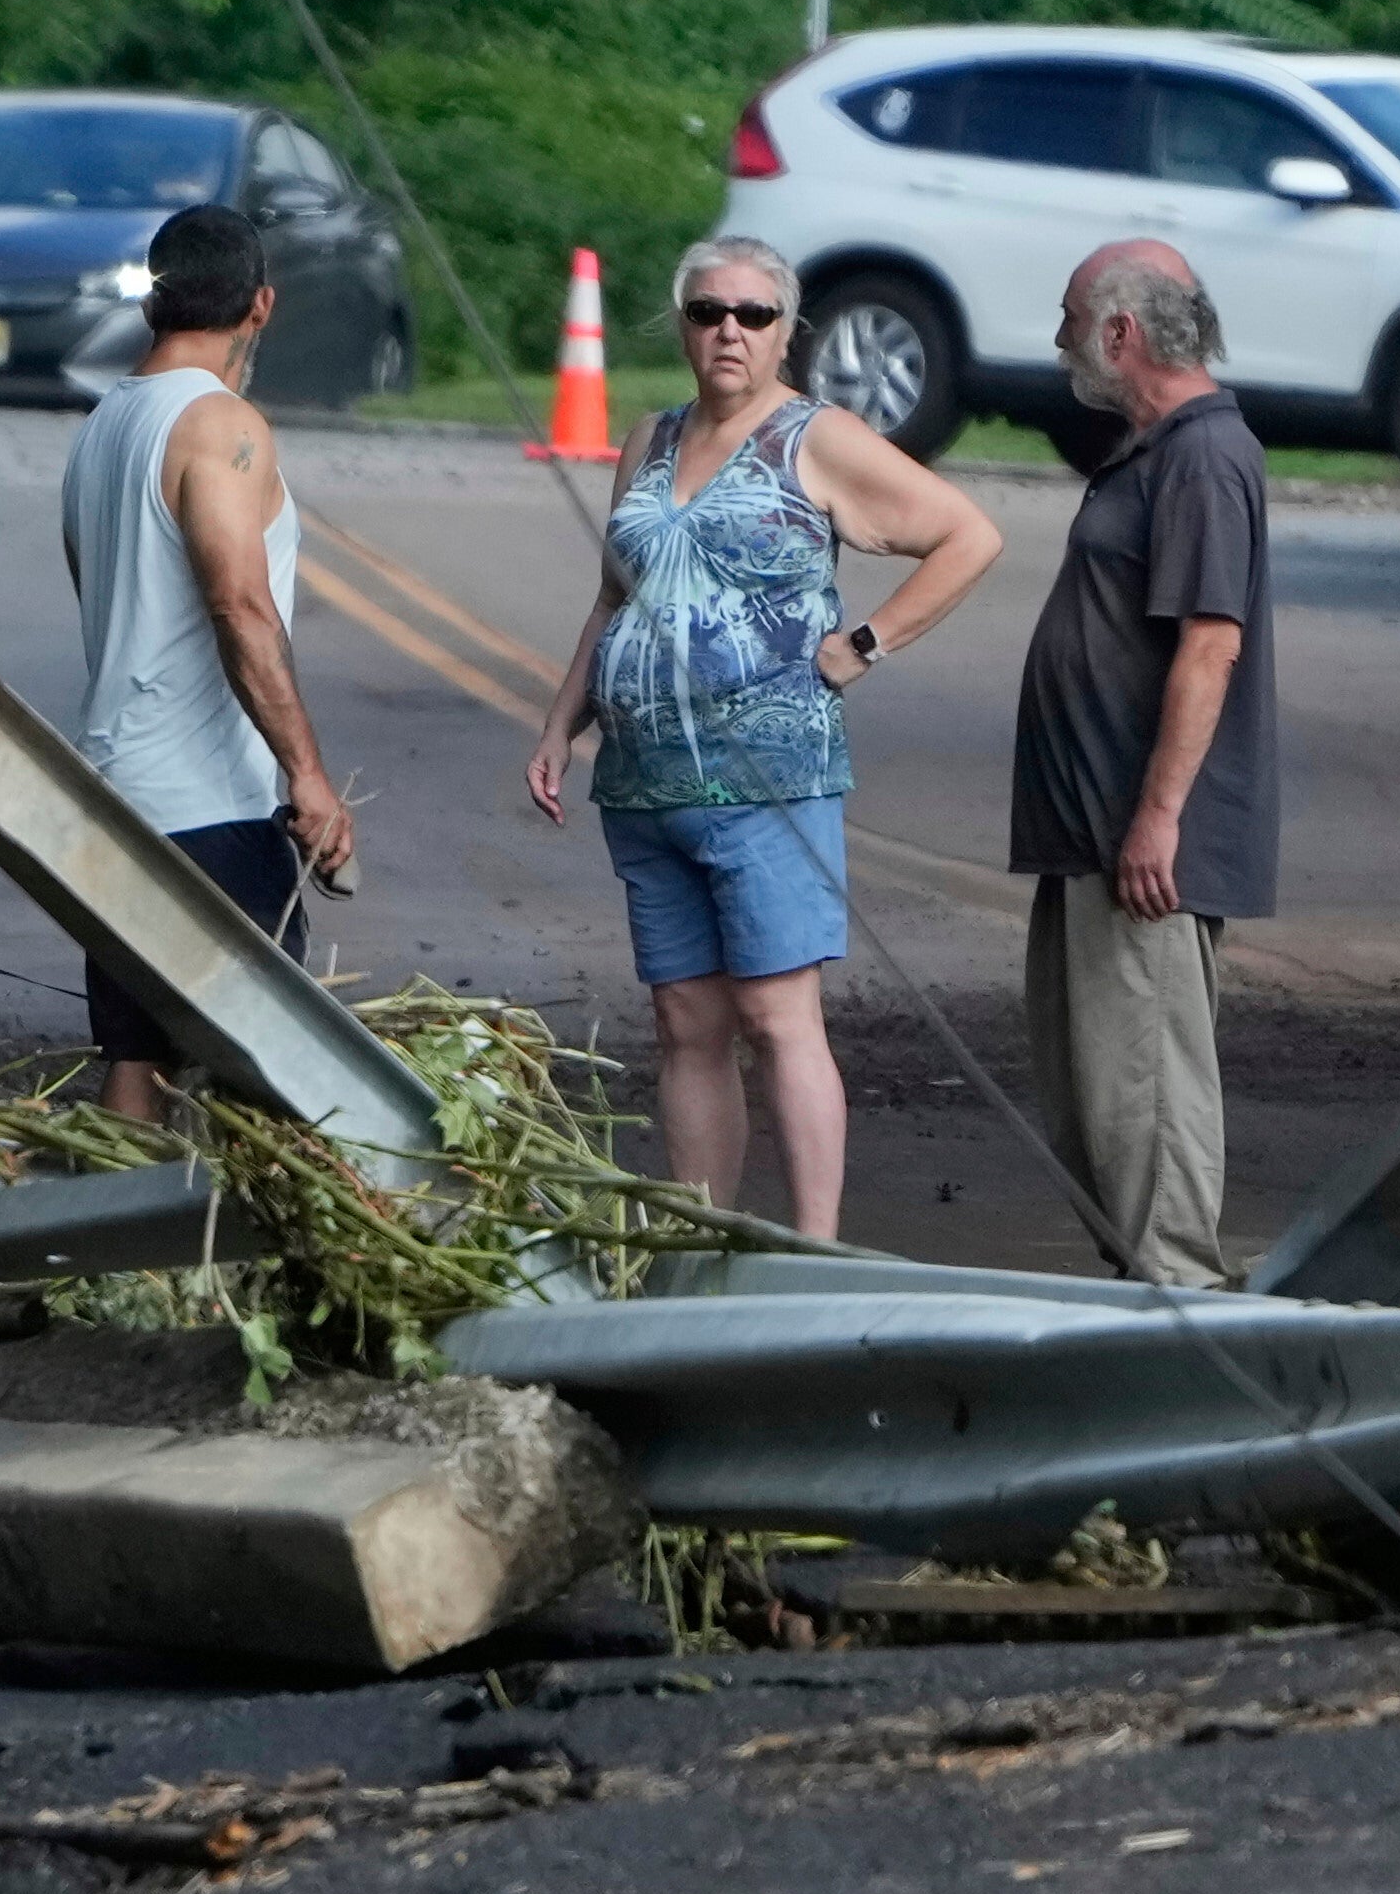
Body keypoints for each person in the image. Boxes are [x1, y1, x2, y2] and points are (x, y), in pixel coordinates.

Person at [516, 227, 996, 1236]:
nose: (728, 331)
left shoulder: (814, 438)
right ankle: (703, 1241)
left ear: (785, 333)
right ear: (684, 328)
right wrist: (563, 725)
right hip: (647, 783)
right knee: (685, 1023)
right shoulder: (648, 439)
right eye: (708, 313)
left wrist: (866, 642)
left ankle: (814, 1247)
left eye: (753, 315)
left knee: (779, 1019)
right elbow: (616, 597)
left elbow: (968, 535)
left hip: (769, 782)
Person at [1004, 233, 1277, 1282]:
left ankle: (1182, 1297)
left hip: (1142, 844)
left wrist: (1158, 817)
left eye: (1072, 320)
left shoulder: (1207, 457)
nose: (1061, 341)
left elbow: (1211, 646)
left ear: (1121, 331)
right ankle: (1140, 1284)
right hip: (1089, 831)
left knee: (1147, 1089)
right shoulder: (1154, 450)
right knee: (1092, 1096)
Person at [52, 205, 360, 1113]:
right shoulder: (218, 423)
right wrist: (307, 775)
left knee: (136, 1059)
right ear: (260, 305)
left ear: (154, 303)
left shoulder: (105, 426)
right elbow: (240, 605)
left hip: (115, 793)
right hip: (208, 811)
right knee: (257, 1079)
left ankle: (123, 1251)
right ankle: (231, 1255)